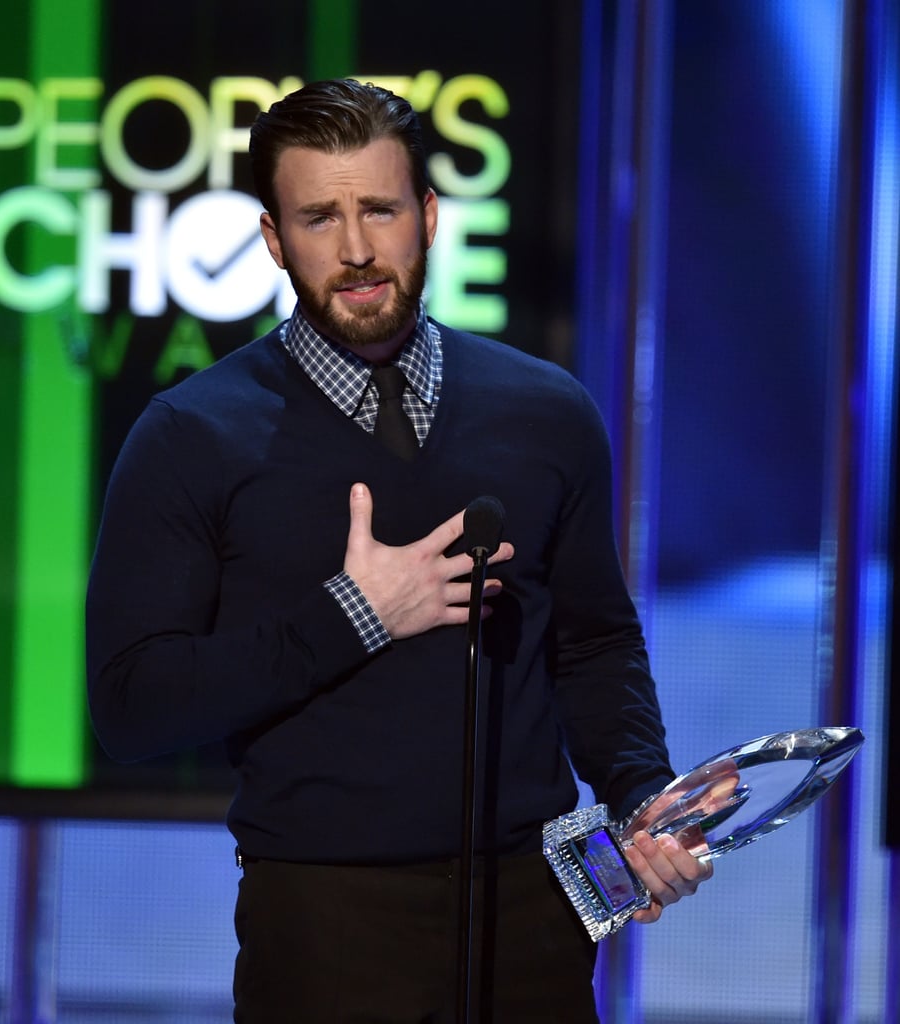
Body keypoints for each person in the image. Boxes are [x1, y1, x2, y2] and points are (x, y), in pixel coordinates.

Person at [86, 78, 711, 1023]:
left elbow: (592, 643)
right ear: (270, 239)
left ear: (426, 217)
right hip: (325, 924)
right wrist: (356, 616)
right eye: (318, 217)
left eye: (379, 209)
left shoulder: (546, 413)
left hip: (538, 918)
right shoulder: (191, 437)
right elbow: (131, 706)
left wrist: (642, 794)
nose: (355, 250)